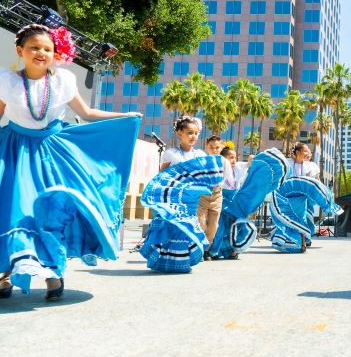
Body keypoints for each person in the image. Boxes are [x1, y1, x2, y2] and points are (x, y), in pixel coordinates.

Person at [0, 23, 141, 300]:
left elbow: (86, 112)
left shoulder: (62, 81)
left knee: (52, 210)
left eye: (47, 49)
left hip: (53, 154)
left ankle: (54, 273)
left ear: (55, 53)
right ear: (20, 50)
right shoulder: (7, 81)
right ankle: (5, 274)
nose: (41, 53)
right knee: (13, 210)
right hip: (16, 151)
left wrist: (125, 117)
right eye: (34, 48)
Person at [139, 115, 223, 272]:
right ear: (179, 133)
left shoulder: (200, 155)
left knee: (186, 230)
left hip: (191, 202)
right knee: (172, 229)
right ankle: (165, 263)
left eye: (196, 133)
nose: (193, 136)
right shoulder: (171, 154)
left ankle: (181, 263)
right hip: (174, 200)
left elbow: (206, 177)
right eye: (190, 133)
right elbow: (162, 177)